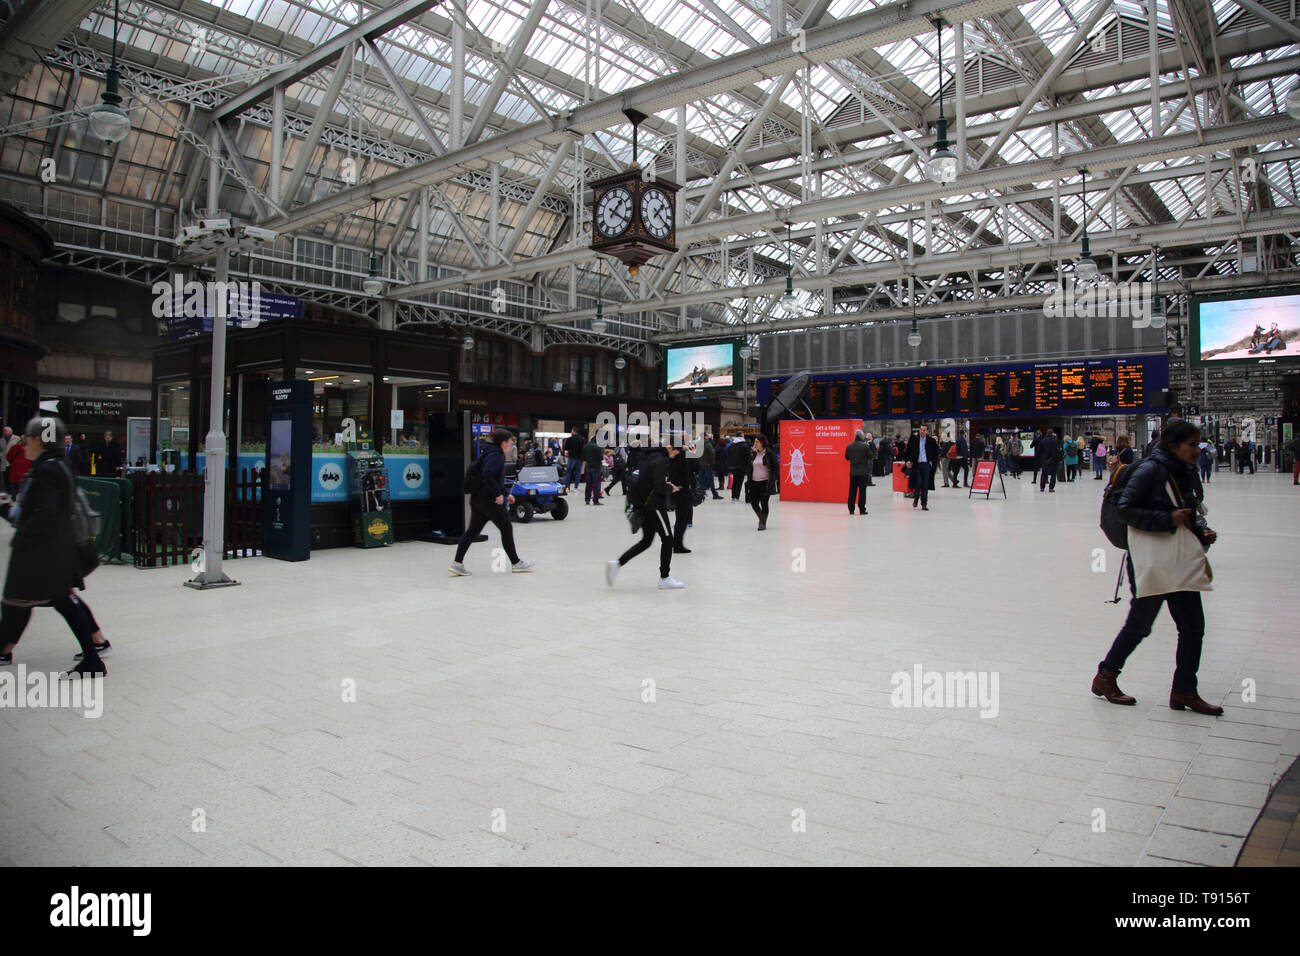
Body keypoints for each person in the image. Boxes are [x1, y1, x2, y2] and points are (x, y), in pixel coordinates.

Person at [1092, 420, 1222, 715]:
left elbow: (1188, 511)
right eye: (1191, 444)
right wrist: (1167, 519)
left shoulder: (1185, 472)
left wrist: (1201, 533)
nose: (1196, 450)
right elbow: (1125, 510)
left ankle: (1185, 690)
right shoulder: (1149, 469)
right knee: (1140, 626)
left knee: (1193, 628)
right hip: (1150, 560)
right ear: (1172, 445)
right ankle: (1106, 676)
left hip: (1178, 561)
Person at [0, 416, 104, 676]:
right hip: (53, 551)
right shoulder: (59, 465)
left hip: (39, 553)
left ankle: (93, 659)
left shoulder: (47, 469)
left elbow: (44, 514)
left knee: (17, 602)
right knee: (62, 602)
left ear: (38, 440)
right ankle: (93, 658)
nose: (25, 445)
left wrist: (18, 523)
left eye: (28, 439)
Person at [449, 428, 534, 576]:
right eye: (510, 441)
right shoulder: (496, 455)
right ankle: (516, 563)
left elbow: (493, 478)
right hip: (489, 500)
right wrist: (498, 495)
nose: (511, 444)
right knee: (506, 527)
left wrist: (506, 494)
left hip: (477, 499)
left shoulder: (489, 451)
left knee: (472, 532)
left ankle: (457, 563)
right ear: (503, 442)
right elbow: (488, 475)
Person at [607, 443, 684, 590]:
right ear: (670, 447)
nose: (674, 456)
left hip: (641, 504)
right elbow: (659, 486)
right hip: (653, 505)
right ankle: (664, 578)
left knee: (646, 541)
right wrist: (671, 488)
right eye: (675, 453)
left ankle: (617, 564)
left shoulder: (648, 457)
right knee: (668, 539)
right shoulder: (660, 460)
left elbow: (649, 480)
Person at [668, 438, 699, 552]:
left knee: (680, 519)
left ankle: (676, 542)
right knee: (683, 519)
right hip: (684, 491)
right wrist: (694, 454)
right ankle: (677, 545)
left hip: (676, 491)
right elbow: (697, 468)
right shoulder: (685, 457)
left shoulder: (672, 458)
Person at [903, 424, 939, 511]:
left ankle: (924, 504)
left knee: (925, 485)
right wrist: (907, 460)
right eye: (921, 430)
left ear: (927, 431)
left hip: (926, 465)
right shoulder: (914, 439)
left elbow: (935, 453)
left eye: (924, 430)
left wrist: (932, 464)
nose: (922, 431)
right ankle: (916, 499)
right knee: (918, 483)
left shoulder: (931, 441)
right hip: (917, 465)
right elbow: (908, 451)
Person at [747, 434, 777, 530]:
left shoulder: (769, 453)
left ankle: (763, 523)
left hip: (765, 482)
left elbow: (775, 467)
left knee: (764, 503)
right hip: (754, 482)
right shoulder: (753, 453)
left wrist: (773, 479)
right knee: (753, 502)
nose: (755, 443)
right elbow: (749, 466)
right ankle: (761, 519)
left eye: (757, 442)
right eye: (755, 441)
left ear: (762, 443)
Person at [844, 430, 874, 515]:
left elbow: (846, 457)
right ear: (861, 436)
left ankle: (851, 509)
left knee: (852, 491)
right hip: (863, 473)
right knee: (862, 492)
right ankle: (862, 509)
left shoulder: (849, 446)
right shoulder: (865, 446)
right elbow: (871, 456)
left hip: (853, 473)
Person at [1033, 427, 1060, 492]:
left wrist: (1040, 459)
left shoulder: (1043, 440)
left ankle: (1042, 487)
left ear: (1046, 433)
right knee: (1053, 474)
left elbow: (1038, 451)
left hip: (1044, 460)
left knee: (1044, 473)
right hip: (1054, 460)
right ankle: (1051, 488)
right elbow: (1059, 450)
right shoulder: (1056, 440)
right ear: (1053, 433)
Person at [696, 433, 721, 500]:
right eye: (707, 435)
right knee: (710, 479)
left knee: (701, 479)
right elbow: (712, 454)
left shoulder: (697, 444)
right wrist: (712, 463)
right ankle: (714, 494)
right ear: (705, 437)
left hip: (700, 464)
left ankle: (701, 492)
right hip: (707, 464)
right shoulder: (708, 444)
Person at [582, 433, 604, 505]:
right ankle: (595, 500)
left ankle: (587, 500)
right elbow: (601, 458)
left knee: (588, 484)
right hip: (596, 467)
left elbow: (583, 458)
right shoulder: (597, 447)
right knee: (596, 484)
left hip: (588, 467)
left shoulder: (586, 446)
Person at [726, 435, 749, 502]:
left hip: (733, 467)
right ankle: (737, 497)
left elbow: (728, 455)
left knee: (735, 482)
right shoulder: (745, 446)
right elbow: (748, 457)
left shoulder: (731, 445)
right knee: (739, 482)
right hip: (741, 467)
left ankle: (733, 497)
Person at [562, 426, 585, 491]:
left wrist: (567, 453)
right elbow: (582, 449)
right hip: (579, 458)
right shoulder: (582, 439)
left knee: (569, 472)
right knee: (578, 473)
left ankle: (567, 487)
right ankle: (576, 487)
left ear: (573, 431)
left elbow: (566, 451)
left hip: (571, 458)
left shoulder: (569, 439)